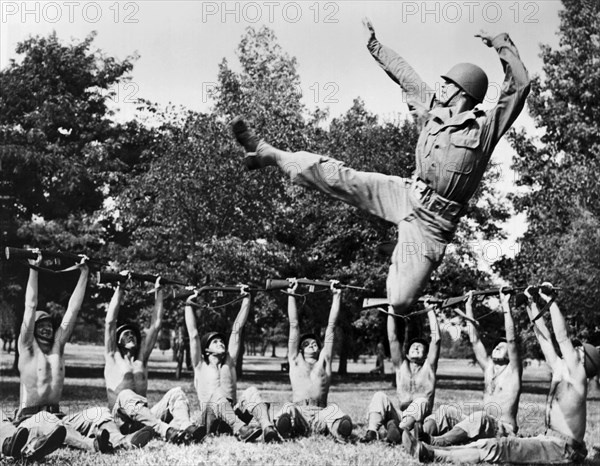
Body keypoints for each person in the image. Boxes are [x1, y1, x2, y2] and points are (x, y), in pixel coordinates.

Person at [231, 20, 530, 318]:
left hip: (433, 224)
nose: (443, 87)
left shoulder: (485, 128)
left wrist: (499, 41)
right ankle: (268, 153)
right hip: (405, 193)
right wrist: (374, 45)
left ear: (463, 91)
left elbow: (518, 86)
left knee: (400, 301)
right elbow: (404, 75)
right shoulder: (432, 110)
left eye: (449, 84)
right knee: (338, 177)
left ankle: (402, 250)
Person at [403, 284, 599, 463]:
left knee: (499, 446)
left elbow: (562, 338)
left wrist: (551, 301)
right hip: (549, 440)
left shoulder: (577, 375)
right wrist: (530, 304)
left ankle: (433, 452)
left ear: (584, 360)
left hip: (564, 449)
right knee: (494, 446)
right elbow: (545, 339)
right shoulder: (560, 370)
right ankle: (429, 448)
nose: (572, 348)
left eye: (578, 349)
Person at [11, 252, 123, 454]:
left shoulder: (57, 347)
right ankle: (92, 445)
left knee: (100, 413)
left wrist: (84, 273)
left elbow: (72, 309)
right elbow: (30, 305)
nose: (46, 328)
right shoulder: (27, 347)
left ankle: (120, 441)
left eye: (48, 324)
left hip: (60, 417)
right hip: (30, 420)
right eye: (40, 325)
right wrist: (34, 269)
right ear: (32, 329)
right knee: (49, 420)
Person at [104, 277, 204, 445]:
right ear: (118, 341)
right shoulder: (112, 357)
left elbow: (156, 325)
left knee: (177, 393)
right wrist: (120, 287)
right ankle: (166, 431)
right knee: (125, 394)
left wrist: (159, 291)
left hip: (144, 420)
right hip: (121, 422)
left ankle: (187, 429)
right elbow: (109, 322)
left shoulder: (140, 360)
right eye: (126, 334)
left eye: (133, 334)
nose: (131, 336)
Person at [419, 288, 522, 446]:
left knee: (479, 417)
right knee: (446, 411)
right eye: (496, 346)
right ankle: (420, 433)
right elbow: (474, 339)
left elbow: (512, 339)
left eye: (502, 346)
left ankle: (436, 441)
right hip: (482, 425)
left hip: (503, 430)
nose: (497, 347)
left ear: (510, 353)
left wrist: (505, 305)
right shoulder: (489, 367)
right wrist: (468, 305)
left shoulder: (513, 370)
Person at [184, 287, 279, 443]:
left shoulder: (229, 362)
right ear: (206, 350)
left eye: (221, 341)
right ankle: (240, 429)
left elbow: (237, 330)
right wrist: (189, 304)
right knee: (218, 396)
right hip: (211, 419)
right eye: (215, 342)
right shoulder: (200, 364)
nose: (221, 343)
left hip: (231, 416)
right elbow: (193, 335)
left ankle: (268, 429)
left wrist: (246, 299)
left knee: (251, 391)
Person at [274, 280, 353, 441]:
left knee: (334, 410)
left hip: (320, 413)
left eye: (315, 344)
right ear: (300, 349)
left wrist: (337, 296)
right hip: (299, 413)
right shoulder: (295, 361)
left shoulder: (324, 361)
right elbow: (294, 325)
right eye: (306, 344)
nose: (311, 346)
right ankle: (285, 429)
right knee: (288, 408)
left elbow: (331, 327)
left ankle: (341, 429)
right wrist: (291, 294)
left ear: (319, 348)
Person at [362, 300, 440, 444]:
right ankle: (372, 432)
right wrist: (391, 310)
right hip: (400, 416)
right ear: (408, 354)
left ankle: (399, 431)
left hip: (420, 421)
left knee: (421, 401)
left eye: (420, 347)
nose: (416, 347)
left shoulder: (429, 368)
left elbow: (436, 339)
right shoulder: (401, 366)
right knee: (379, 396)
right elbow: (392, 338)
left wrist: (430, 310)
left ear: (426, 355)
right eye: (413, 346)